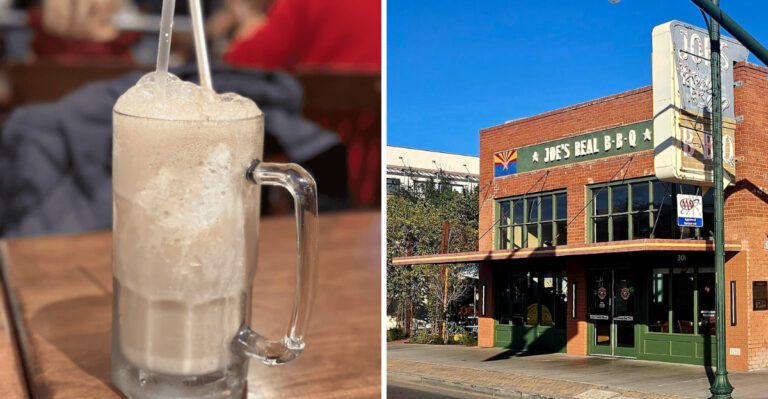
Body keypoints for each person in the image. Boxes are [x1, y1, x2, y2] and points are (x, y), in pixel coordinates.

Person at [223, 0, 380, 72]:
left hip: (313, 126)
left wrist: (248, 31)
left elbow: (239, 63)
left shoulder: (302, 4)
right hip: (380, 124)